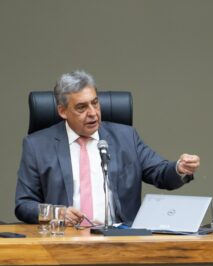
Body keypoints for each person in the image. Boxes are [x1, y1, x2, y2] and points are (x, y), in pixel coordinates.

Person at [15, 70, 200, 226]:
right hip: (66, 240)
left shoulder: (126, 138)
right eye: (81, 107)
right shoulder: (37, 146)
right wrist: (57, 214)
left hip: (119, 240)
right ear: (63, 111)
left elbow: (160, 173)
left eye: (95, 103)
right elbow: (23, 205)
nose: (93, 113)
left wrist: (179, 168)